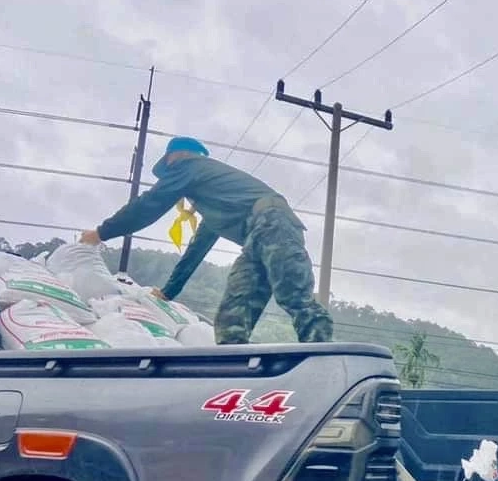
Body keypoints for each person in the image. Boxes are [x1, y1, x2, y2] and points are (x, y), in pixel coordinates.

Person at [80, 136, 333, 345]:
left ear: (175, 157)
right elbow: (196, 250)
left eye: (169, 168)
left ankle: (321, 354)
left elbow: (149, 204)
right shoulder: (213, 203)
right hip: (256, 237)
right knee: (233, 312)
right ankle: (233, 366)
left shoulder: (191, 166)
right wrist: (169, 292)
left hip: (274, 223)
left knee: (293, 295)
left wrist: (101, 233)